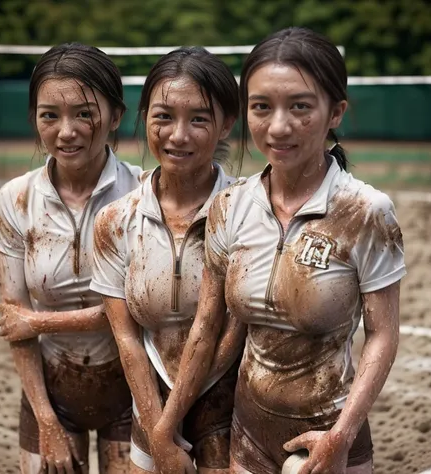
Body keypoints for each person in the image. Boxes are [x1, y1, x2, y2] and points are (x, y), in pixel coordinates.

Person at [151, 27, 407, 474]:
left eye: (301, 107)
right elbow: (207, 326)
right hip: (247, 437)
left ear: (336, 112)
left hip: (329, 438)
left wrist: (340, 437)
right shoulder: (228, 208)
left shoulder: (365, 211)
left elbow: (382, 334)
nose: (279, 127)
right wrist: (165, 425)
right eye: (261, 107)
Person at [0, 43, 144, 473]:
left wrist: (40, 321)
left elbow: (132, 311)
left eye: (84, 112)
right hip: (51, 390)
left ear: (115, 116)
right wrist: (46, 421)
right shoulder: (15, 199)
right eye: (49, 115)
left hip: (131, 388)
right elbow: (14, 316)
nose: (66, 131)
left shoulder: (143, 195)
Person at [90, 47, 244, 474]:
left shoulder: (249, 210)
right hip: (151, 404)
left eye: (199, 118)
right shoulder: (116, 220)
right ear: (144, 118)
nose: (178, 135)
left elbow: (230, 334)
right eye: (163, 117)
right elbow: (127, 340)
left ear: (227, 123)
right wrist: (157, 430)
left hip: (231, 408)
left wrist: (168, 426)